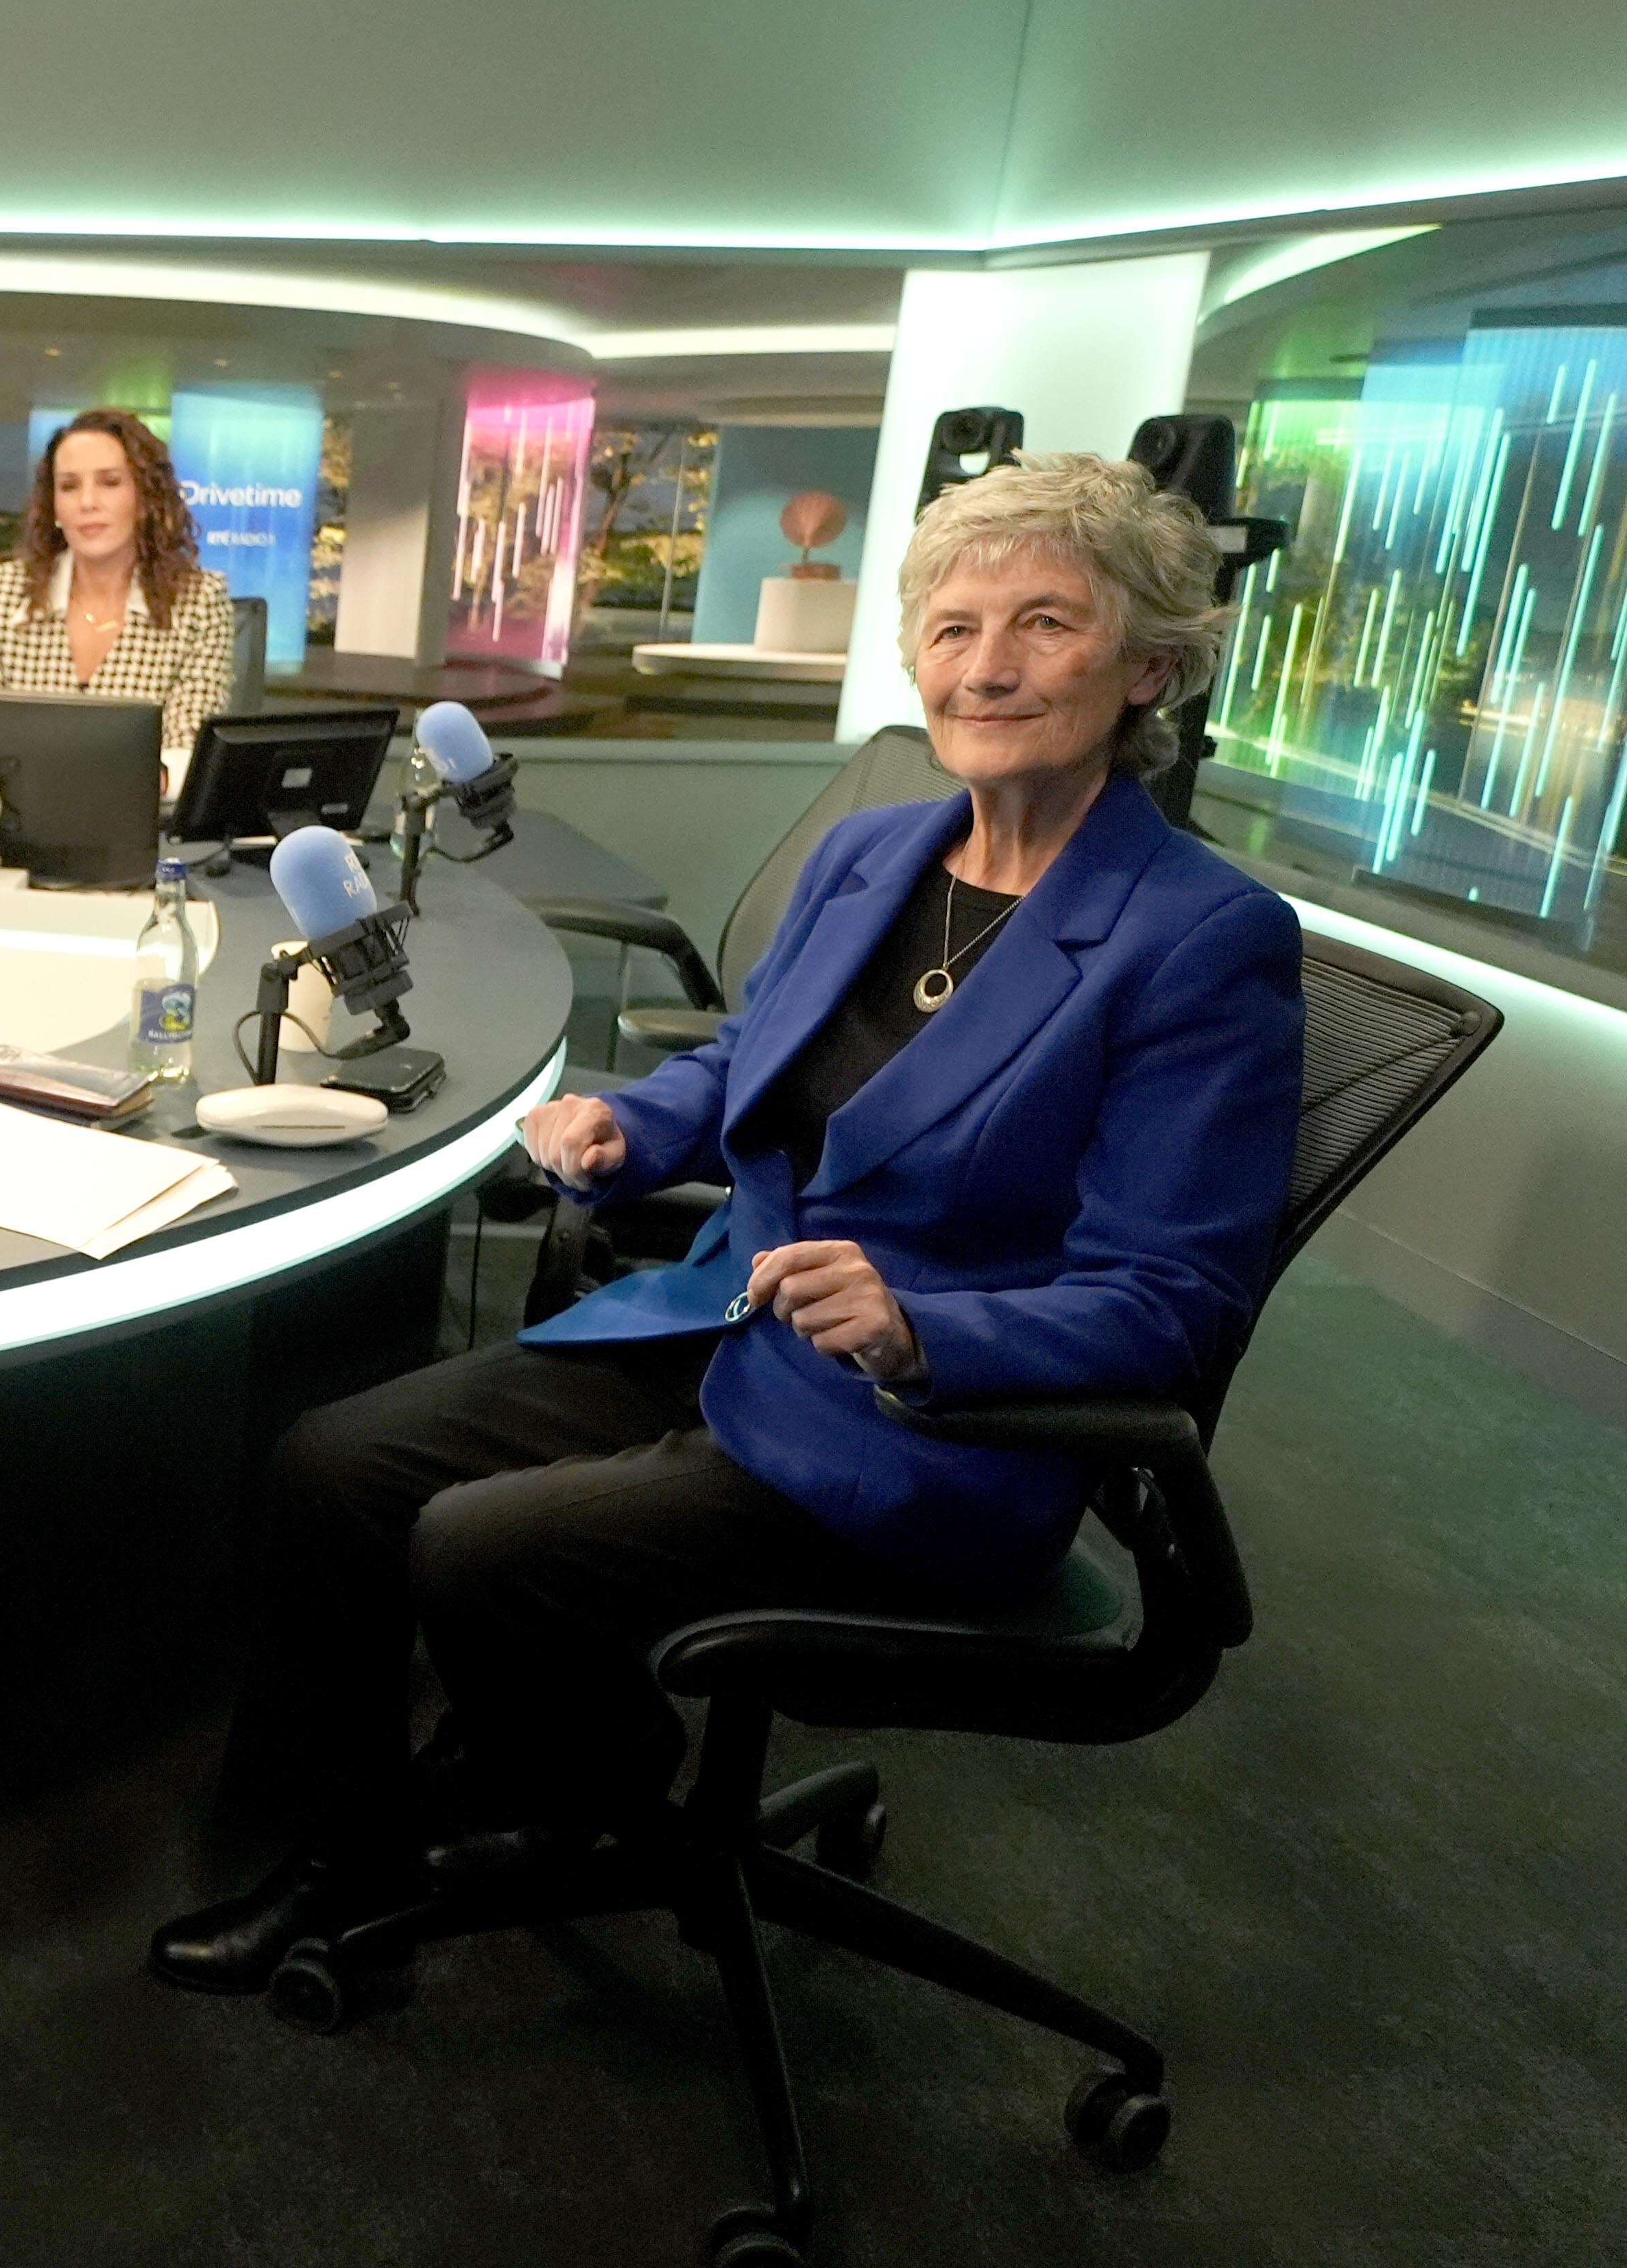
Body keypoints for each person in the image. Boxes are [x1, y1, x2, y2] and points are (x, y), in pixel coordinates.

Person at [152, 453, 1305, 1994]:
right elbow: (744, 1062)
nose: (989, 663)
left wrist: (920, 1325)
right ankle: (347, 1844)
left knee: (481, 1544)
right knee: (336, 1459)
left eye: (1044, 623)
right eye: (953, 628)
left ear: (1149, 664)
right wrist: (633, 1126)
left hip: (932, 1425)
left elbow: (1171, 1294)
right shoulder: (871, 855)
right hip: (725, 1325)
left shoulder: (1200, 937)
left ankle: (574, 1786)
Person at [0, 407, 236, 753]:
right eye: (70, 487)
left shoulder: (199, 601)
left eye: (110, 482)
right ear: (54, 507)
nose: (87, 503)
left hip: (141, 807)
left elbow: (187, 756)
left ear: (144, 497)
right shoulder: (4, 595)